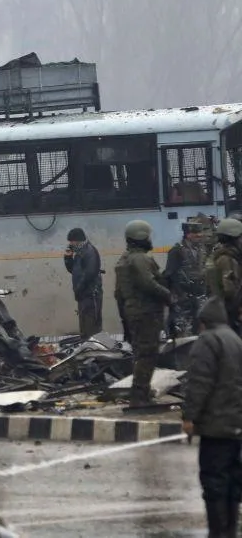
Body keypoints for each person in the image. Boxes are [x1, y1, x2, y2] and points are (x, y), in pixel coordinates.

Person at [183, 297, 242, 538]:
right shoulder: (236, 340)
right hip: (236, 427)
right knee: (232, 483)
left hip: (215, 428)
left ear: (204, 322)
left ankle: (218, 533)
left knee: (214, 482)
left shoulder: (208, 341)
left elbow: (199, 384)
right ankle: (230, 530)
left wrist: (189, 417)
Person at [114, 220, 172, 407]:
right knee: (147, 354)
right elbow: (148, 284)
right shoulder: (140, 259)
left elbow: (119, 294)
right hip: (146, 311)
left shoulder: (124, 259)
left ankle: (141, 393)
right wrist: (169, 296)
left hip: (133, 312)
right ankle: (140, 397)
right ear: (142, 237)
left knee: (140, 354)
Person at [165, 221, 208, 337]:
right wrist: (178, 294)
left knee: (201, 327)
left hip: (199, 295)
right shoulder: (177, 250)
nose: (199, 235)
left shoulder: (202, 249)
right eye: (195, 233)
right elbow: (170, 274)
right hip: (183, 297)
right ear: (187, 234)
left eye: (200, 232)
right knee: (183, 330)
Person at [63, 228, 103, 340]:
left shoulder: (89, 251)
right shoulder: (80, 253)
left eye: (71, 241)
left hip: (91, 294)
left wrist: (79, 288)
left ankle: (96, 351)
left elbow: (90, 273)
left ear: (78, 240)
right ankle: (88, 350)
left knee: (92, 327)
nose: (70, 244)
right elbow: (74, 271)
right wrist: (68, 258)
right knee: (85, 327)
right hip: (83, 295)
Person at [207, 218, 242, 332]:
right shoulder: (227, 258)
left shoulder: (222, 255)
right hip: (231, 312)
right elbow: (230, 290)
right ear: (233, 238)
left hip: (223, 309)